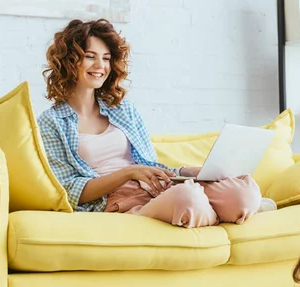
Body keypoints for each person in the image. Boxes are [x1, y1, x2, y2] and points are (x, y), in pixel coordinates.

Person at [37, 19, 263, 227]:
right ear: (69, 61)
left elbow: (150, 165)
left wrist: (188, 171)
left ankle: (215, 210)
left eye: (106, 58)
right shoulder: (51, 122)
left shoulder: (124, 110)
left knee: (243, 192)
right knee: (189, 198)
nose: (100, 65)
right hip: (117, 202)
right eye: (90, 56)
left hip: (156, 188)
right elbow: (68, 190)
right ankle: (215, 212)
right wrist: (128, 173)